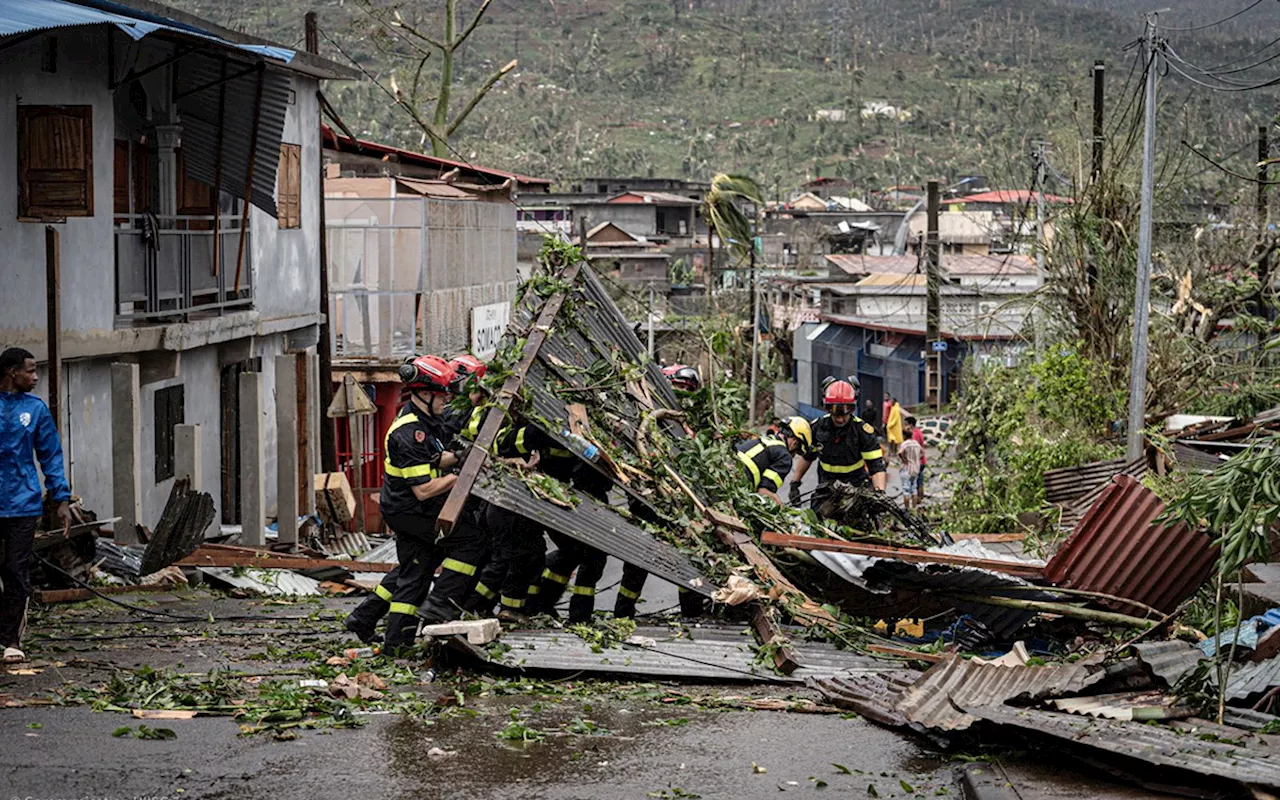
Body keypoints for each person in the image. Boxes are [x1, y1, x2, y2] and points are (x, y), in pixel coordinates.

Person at [352, 355, 457, 654]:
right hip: (409, 510)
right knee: (418, 571)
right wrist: (458, 476)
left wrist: (461, 458)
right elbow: (423, 490)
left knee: (414, 567)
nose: (446, 400)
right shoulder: (408, 433)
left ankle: (365, 617)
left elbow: (435, 460)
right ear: (423, 394)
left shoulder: (426, 423)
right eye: (442, 394)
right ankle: (395, 644)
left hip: (410, 509)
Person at [0, 348, 71, 664]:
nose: (36, 376)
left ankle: (10, 640)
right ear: (12, 372)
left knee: (16, 571)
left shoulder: (36, 409)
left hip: (23, 504)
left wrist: (61, 499)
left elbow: (51, 456)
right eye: (30, 370)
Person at [417, 355, 496, 626]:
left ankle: (449, 608)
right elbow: (447, 454)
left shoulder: (450, 410)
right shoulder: (456, 413)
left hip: (443, 493)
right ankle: (439, 608)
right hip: (438, 494)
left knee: (466, 549)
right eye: (476, 388)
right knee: (467, 546)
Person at [789, 380, 887, 511]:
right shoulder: (817, 427)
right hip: (826, 488)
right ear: (827, 408)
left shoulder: (863, 431)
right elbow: (807, 457)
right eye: (836, 413)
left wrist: (880, 494)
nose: (840, 419)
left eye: (845, 413)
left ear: (852, 408)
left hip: (856, 487)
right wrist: (795, 483)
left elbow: (876, 467)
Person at [736, 416, 812, 504]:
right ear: (794, 443)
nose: (793, 456)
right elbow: (764, 492)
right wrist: (781, 508)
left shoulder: (763, 438)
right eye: (797, 452)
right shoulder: (785, 456)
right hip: (739, 483)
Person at [897, 420, 924, 511]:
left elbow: (900, 452)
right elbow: (922, 453)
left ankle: (907, 509)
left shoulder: (904, 444)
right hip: (915, 469)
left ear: (904, 436)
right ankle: (914, 508)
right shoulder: (916, 444)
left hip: (906, 469)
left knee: (906, 490)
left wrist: (904, 459)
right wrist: (916, 459)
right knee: (914, 489)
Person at [905, 416, 927, 507]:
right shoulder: (919, 432)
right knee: (920, 481)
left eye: (906, 424)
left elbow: (916, 449)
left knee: (915, 483)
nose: (904, 426)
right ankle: (920, 500)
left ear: (910, 424)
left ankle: (918, 500)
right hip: (922, 461)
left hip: (917, 462)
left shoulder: (914, 434)